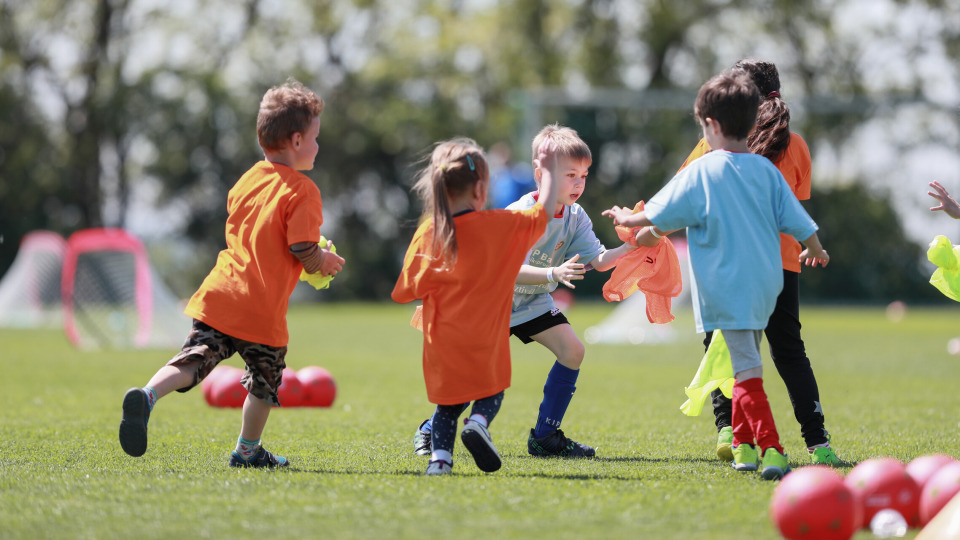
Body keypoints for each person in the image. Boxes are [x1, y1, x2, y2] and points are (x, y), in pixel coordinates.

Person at [602, 70, 830, 480]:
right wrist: (816, 250)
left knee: (744, 368)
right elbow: (801, 222)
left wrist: (626, 218)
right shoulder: (766, 171)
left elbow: (653, 214)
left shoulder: (702, 169)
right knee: (748, 358)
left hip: (727, 288)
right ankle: (743, 446)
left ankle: (772, 449)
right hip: (771, 282)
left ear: (710, 125)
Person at [118, 79, 345, 468]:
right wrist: (321, 261)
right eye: (315, 138)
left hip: (220, 296)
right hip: (260, 310)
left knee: (193, 358)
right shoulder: (303, 191)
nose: (318, 146)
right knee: (265, 383)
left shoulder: (247, 179)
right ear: (295, 140)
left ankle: (149, 394)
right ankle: (247, 450)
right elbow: (302, 248)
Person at [412, 125, 636, 459]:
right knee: (475, 379)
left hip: (532, 302)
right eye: (570, 174)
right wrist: (552, 273)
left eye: (584, 175)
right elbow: (506, 270)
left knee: (573, 351)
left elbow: (599, 261)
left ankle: (545, 436)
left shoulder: (575, 217)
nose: (579, 183)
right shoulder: (520, 213)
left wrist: (631, 245)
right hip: (492, 304)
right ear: (540, 175)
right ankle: (431, 430)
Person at [678, 59, 840, 466]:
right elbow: (795, 212)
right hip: (780, 266)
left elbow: (682, 198)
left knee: (723, 348)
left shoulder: (715, 140)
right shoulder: (797, 144)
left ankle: (732, 433)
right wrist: (813, 246)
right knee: (789, 352)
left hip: (725, 265)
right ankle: (818, 442)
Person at [392, 136, 558, 475]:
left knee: (447, 407)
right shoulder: (501, 225)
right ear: (481, 190)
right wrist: (550, 171)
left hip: (442, 341)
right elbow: (543, 212)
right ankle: (480, 421)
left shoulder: (429, 233)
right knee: (491, 390)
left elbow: (405, 291)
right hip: (487, 338)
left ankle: (440, 461)